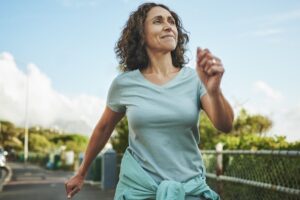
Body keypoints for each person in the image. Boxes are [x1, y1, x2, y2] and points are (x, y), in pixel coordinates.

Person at [65, 2, 234, 200]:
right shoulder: (124, 84)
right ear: (141, 34)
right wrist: (81, 172)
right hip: (138, 191)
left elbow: (225, 125)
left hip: (189, 191)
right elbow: (103, 128)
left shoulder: (195, 78)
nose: (168, 25)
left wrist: (214, 92)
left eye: (171, 21)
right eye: (157, 21)